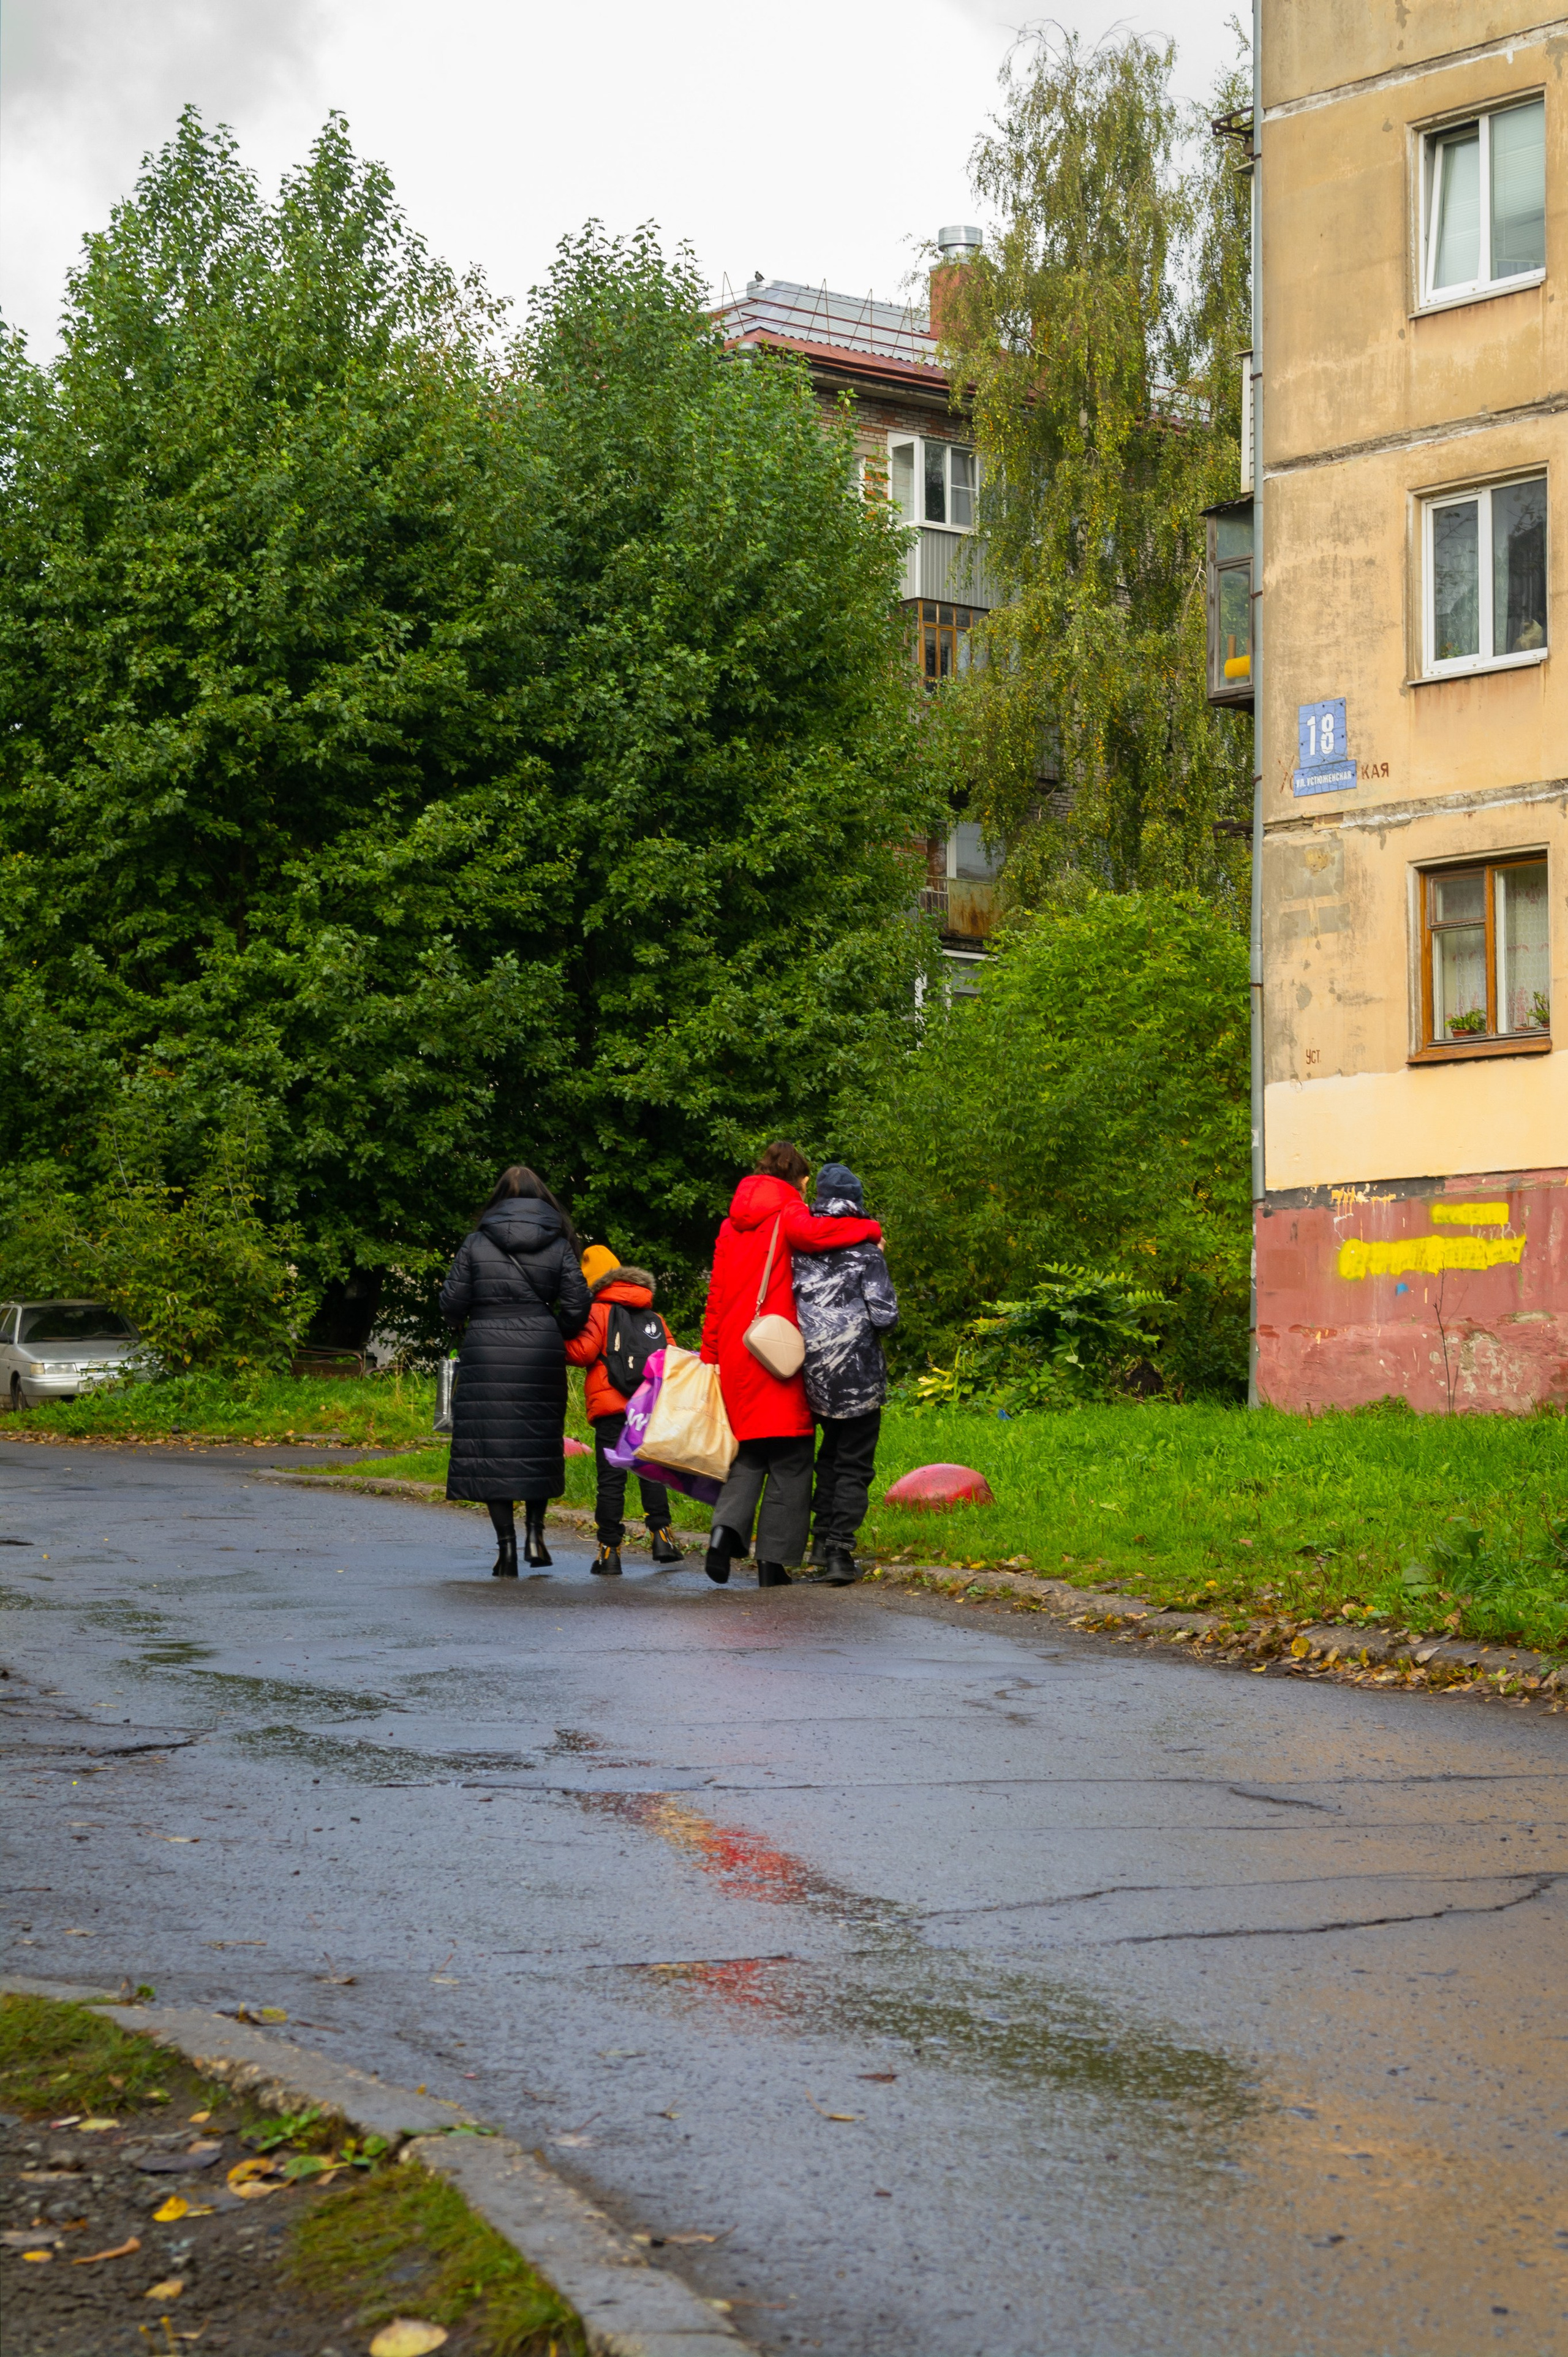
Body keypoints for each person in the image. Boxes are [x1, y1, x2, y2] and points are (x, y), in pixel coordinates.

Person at [699, 1141, 884, 1589]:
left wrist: (712, 1355)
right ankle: (774, 1563)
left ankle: (724, 1533)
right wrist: (870, 1229)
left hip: (737, 1346)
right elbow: (820, 1235)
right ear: (798, 1178)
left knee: (750, 1447)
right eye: (805, 1180)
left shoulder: (730, 1225)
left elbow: (718, 1293)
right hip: (776, 1346)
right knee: (792, 1454)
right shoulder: (789, 1212)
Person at [439, 1165, 590, 1576]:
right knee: (537, 1444)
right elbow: (578, 1307)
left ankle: (506, 1549)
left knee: (493, 1449)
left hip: (486, 1348)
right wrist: (551, 1330)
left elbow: (451, 1304)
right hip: (540, 1350)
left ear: (499, 1198)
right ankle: (535, 1535)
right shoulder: (558, 1244)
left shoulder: (476, 1242)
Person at [794, 1162, 898, 1587]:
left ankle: (818, 1543)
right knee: (854, 1462)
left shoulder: (797, 1247)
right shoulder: (867, 1253)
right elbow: (886, 1316)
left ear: (818, 1199)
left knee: (827, 1458)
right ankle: (839, 1551)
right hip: (857, 1378)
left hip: (806, 1376)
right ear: (856, 1203)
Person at [565, 1246, 684, 1580]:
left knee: (611, 1480)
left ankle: (609, 1552)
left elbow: (583, 1352)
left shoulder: (598, 1311)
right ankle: (662, 1539)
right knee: (650, 1470)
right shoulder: (653, 1315)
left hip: (611, 1407)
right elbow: (671, 1356)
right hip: (647, 1406)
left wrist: (552, 1340)